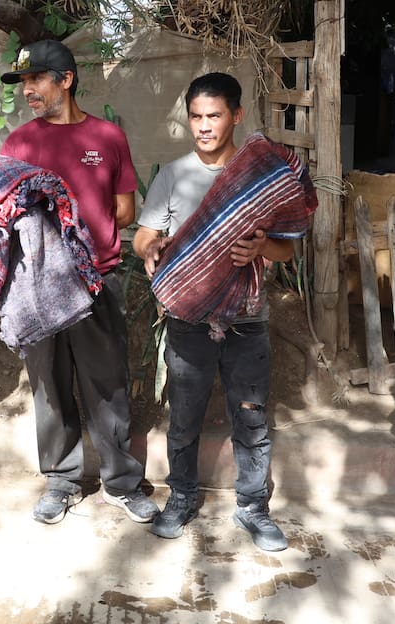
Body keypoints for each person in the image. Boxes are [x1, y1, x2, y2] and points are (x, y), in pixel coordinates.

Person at [132, 73, 297, 550]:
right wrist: (151, 247)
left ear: (236, 116)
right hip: (187, 320)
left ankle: (252, 508)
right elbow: (145, 233)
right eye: (196, 117)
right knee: (184, 416)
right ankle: (181, 497)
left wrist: (264, 244)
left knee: (251, 417)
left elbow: (288, 251)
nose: (203, 127)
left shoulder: (258, 179)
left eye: (214, 116)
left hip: (247, 318)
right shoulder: (173, 175)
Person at [0, 39, 158, 525]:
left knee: (106, 381)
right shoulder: (19, 143)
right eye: (23, 81)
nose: (27, 90)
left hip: (96, 280)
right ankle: (61, 480)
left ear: (66, 80)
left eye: (36, 79)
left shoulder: (107, 137)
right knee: (49, 383)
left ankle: (121, 483)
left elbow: (126, 209)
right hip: (36, 283)